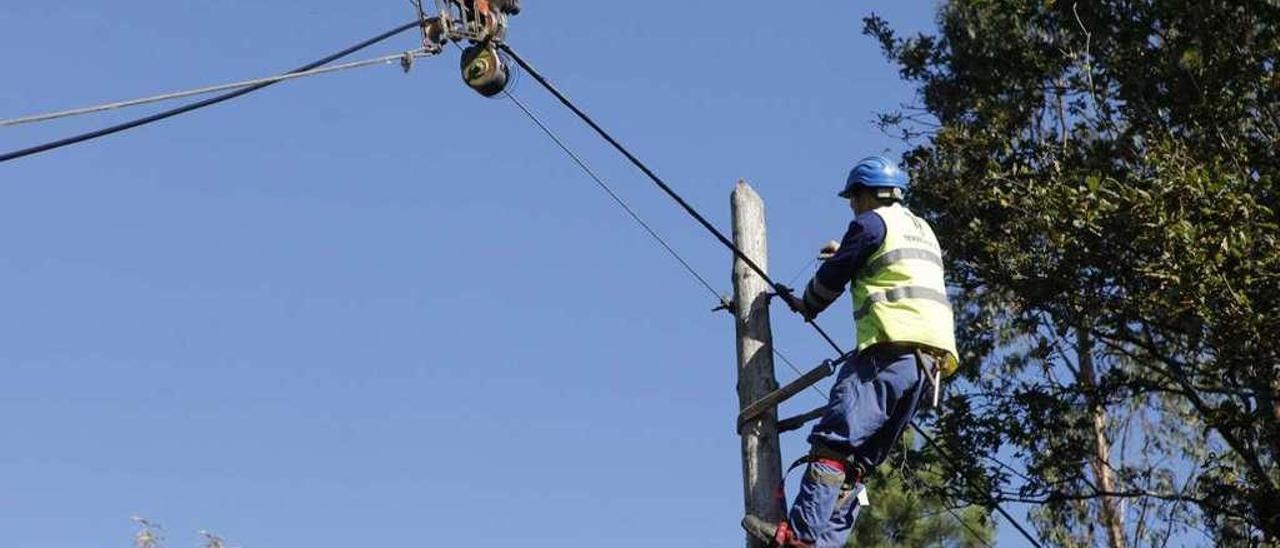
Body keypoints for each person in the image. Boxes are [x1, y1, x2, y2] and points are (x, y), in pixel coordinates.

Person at [743, 156, 959, 548]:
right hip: (928, 365)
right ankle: (823, 543)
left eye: (853, 200)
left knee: (834, 441)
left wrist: (807, 302)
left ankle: (802, 535)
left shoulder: (871, 223)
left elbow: (834, 277)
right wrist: (847, 250)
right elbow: (885, 265)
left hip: (888, 351)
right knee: (858, 462)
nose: (852, 207)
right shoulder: (920, 230)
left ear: (865, 194)